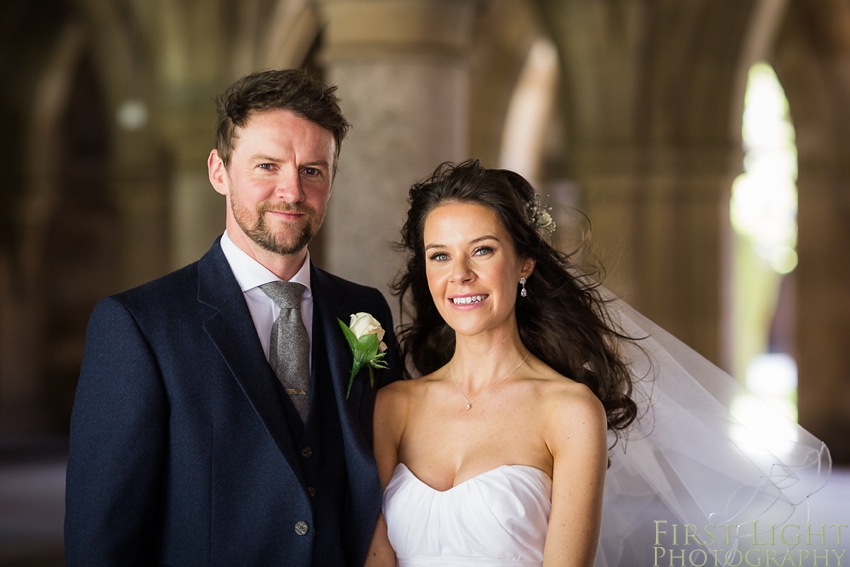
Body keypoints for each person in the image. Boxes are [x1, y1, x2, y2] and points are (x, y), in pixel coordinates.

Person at [365, 160, 831, 567]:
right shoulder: (394, 407)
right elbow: (377, 556)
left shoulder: (568, 411)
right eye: (440, 255)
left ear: (524, 262)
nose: (460, 273)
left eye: (482, 250)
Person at [65, 69, 402, 566]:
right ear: (218, 171)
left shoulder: (364, 310)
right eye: (267, 166)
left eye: (313, 170)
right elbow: (102, 540)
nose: (291, 191)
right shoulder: (138, 325)